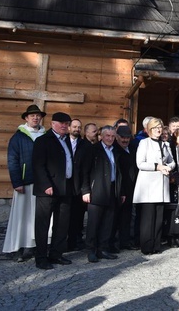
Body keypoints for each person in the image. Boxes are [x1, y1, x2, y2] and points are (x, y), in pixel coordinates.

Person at [32, 112, 75, 270]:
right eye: (61, 123)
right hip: (48, 190)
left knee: (61, 224)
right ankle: (41, 258)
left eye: (66, 123)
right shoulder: (43, 141)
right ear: (52, 124)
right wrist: (46, 185)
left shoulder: (67, 141)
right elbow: (38, 165)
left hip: (65, 188)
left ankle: (56, 254)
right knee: (42, 225)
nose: (64, 125)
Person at [3, 104, 46, 263]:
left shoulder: (45, 135)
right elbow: (12, 161)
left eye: (38, 115)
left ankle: (32, 245)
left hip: (41, 183)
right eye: (32, 115)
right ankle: (16, 247)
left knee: (37, 217)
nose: (35, 118)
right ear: (26, 118)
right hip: (24, 182)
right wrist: (17, 182)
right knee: (21, 217)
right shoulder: (18, 137)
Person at [81, 126, 124, 263]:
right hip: (96, 190)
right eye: (108, 136)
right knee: (94, 223)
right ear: (102, 136)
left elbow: (119, 173)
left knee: (108, 222)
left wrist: (121, 191)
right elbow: (84, 171)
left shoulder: (116, 150)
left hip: (112, 189)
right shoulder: (93, 149)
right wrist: (85, 190)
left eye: (112, 136)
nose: (110, 139)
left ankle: (103, 249)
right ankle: (91, 250)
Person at [133, 117, 175, 255]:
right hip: (148, 187)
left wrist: (168, 167)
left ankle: (156, 245)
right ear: (150, 130)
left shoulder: (165, 144)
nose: (158, 130)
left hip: (162, 186)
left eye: (160, 127)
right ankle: (146, 246)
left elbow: (172, 162)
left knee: (158, 218)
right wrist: (157, 166)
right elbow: (140, 163)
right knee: (148, 219)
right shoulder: (144, 143)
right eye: (155, 127)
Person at [112, 124, 138, 250]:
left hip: (131, 188)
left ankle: (125, 241)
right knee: (115, 217)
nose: (125, 140)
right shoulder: (115, 150)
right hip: (118, 189)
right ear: (117, 137)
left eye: (127, 137)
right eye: (122, 137)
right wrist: (121, 191)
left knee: (127, 217)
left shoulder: (132, 148)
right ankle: (113, 243)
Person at [67, 118, 88, 251]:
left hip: (78, 185)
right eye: (74, 127)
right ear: (69, 128)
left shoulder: (84, 144)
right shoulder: (63, 142)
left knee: (77, 216)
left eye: (79, 127)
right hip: (65, 185)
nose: (77, 129)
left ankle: (75, 240)